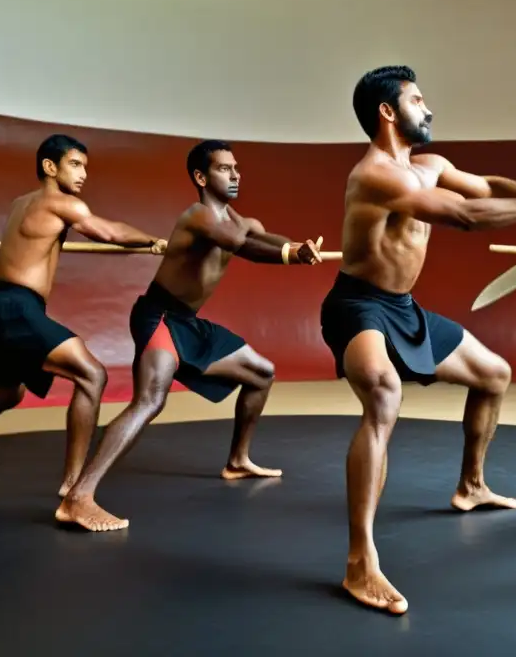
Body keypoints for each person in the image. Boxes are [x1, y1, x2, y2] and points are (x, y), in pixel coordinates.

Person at [321, 65, 516, 615]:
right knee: (383, 394)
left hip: (402, 307)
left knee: (495, 375)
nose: (429, 108)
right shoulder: (374, 176)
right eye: (418, 100)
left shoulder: (431, 165)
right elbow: (465, 216)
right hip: (357, 305)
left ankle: (471, 485)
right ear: (388, 113)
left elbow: (487, 189)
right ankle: (359, 561)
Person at [55, 140, 325, 532]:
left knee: (261, 374)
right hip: (159, 316)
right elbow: (243, 246)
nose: (234, 175)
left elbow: (262, 236)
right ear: (201, 177)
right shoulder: (198, 217)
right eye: (223, 169)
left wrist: (295, 247)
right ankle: (78, 498)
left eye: (236, 168)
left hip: (189, 321)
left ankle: (237, 461)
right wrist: (289, 255)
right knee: (150, 401)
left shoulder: (240, 220)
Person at [0, 134, 166, 496]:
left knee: (8, 397)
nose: (84, 173)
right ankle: (74, 489)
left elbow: (35, 243)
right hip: (16, 309)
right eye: (75, 164)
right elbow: (110, 232)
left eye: (85, 166)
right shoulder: (64, 204)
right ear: (49, 167)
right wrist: (153, 241)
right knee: (92, 375)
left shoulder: (21, 204)